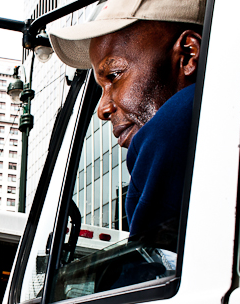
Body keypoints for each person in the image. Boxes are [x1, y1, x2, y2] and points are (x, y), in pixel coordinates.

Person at [50, 0, 205, 237]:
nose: (102, 109)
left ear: (188, 55)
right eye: (101, 88)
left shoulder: (170, 131)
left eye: (114, 75)